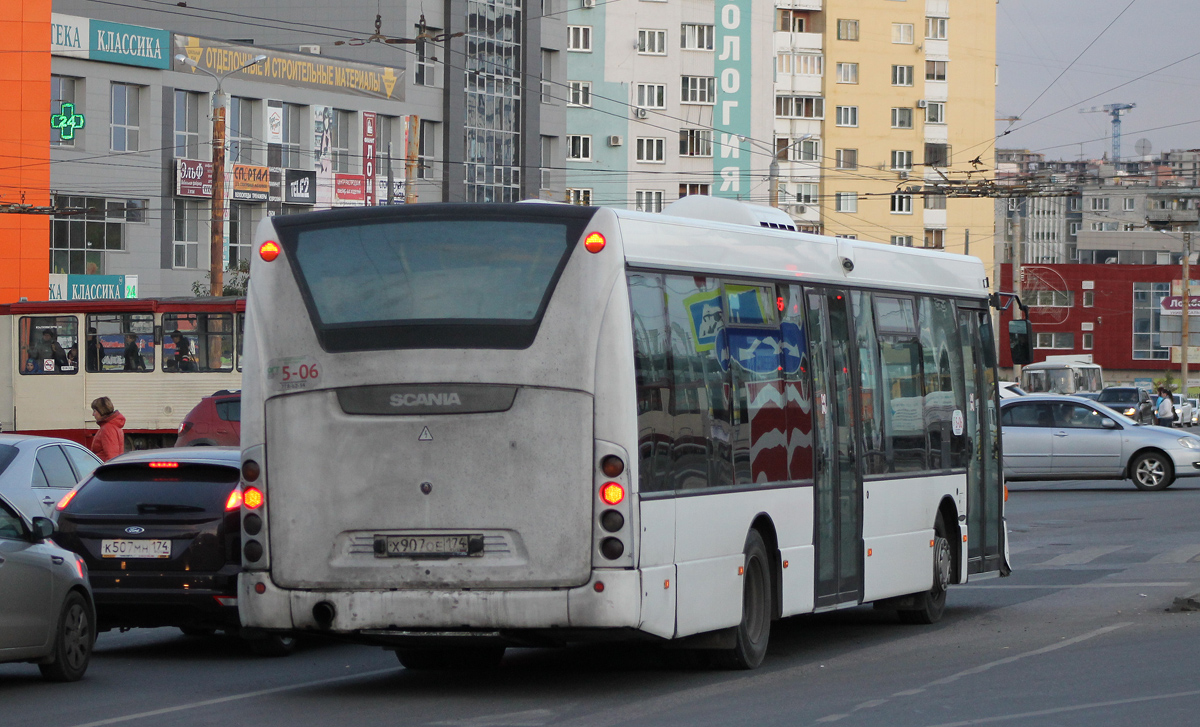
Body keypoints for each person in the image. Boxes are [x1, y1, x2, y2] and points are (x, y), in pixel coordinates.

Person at [89, 397, 125, 462]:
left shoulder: (107, 428)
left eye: (94, 411)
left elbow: (111, 456)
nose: (93, 414)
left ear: (101, 411)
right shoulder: (113, 426)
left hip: (103, 468)